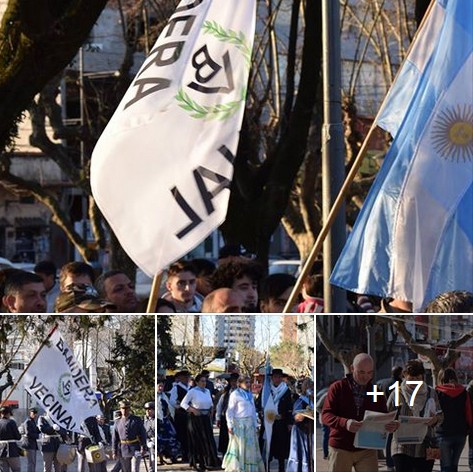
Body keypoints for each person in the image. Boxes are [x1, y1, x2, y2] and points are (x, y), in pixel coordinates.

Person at [322, 353, 399, 472]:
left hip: (367, 448)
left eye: (370, 373)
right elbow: (326, 415)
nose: (366, 377)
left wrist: (391, 424)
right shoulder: (338, 388)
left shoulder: (375, 391)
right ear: (352, 368)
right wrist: (345, 423)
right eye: (361, 372)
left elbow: (383, 415)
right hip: (341, 447)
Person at [387, 359, 443, 472]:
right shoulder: (397, 393)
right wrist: (392, 424)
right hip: (401, 447)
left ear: (422, 377)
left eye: (418, 378)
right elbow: (387, 416)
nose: (415, 382)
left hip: (425, 447)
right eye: (411, 379)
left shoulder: (431, 393)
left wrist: (435, 419)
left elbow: (440, 415)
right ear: (404, 376)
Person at [222, 375, 264, 472]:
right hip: (239, 424)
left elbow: (253, 410)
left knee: (250, 447)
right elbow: (230, 411)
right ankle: (239, 467)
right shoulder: (235, 394)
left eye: (249, 382)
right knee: (239, 446)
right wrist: (230, 425)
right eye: (246, 382)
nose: (248, 385)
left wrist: (255, 424)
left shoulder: (249, 394)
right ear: (239, 384)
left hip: (249, 424)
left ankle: (249, 468)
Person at [180, 373, 221, 471]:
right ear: (197, 382)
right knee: (198, 441)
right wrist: (193, 410)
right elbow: (183, 403)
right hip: (195, 418)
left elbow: (210, 403)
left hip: (205, 418)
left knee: (207, 440)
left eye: (205, 381)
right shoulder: (192, 391)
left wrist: (211, 410)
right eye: (202, 381)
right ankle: (199, 463)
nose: (204, 383)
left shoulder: (207, 391)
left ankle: (209, 461)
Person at [435, 368, 472, 472]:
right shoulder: (464, 392)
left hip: (443, 433)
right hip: (460, 434)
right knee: (454, 466)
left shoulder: (437, 392)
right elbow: (468, 412)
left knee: (446, 466)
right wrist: (468, 428)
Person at [257, 368, 294, 472]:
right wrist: (261, 412)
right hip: (268, 422)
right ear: (272, 378)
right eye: (275, 377)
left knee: (281, 448)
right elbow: (259, 403)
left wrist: (290, 422)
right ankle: (266, 468)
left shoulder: (286, 391)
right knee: (267, 446)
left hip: (281, 422)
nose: (277, 379)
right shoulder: (266, 390)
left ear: (281, 378)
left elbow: (289, 408)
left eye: (279, 377)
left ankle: (281, 469)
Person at [287, 378, 314, 472]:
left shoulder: (314, 400)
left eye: (311, 385)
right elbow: (296, 417)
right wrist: (304, 413)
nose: (310, 388)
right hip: (301, 432)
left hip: (310, 431)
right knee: (301, 456)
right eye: (308, 386)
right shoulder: (301, 400)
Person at [112, 400, 147, 472]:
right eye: (123, 408)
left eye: (126, 408)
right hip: (123, 449)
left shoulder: (136, 420)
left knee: (135, 469)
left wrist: (144, 447)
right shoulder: (117, 422)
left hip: (135, 448)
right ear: (120, 409)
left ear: (129, 409)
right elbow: (115, 438)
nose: (124, 410)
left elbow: (143, 434)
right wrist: (114, 451)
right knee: (126, 470)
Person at [157, 379, 181, 464]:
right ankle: (160, 458)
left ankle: (173, 456)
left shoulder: (165, 396)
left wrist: (168, 414)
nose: (161, 388)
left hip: (165, 420)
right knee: (159, 440)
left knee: (171, 437)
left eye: (162, 386)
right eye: (159, 386)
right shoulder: (156, 397)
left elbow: (169, 406)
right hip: (158, 421)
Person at [169, 370, 191, 462]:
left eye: (188, 377)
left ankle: (189, 454)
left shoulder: (191, 388)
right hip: (181, 415)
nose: (187, 379)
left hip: (190, 414)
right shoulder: (176, 388)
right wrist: (179, 406)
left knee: (189, 435)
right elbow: (172, 401)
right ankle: (182, 454)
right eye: (185, 377)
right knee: (181, 435)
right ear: (181, 378)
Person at [216, 373, 239, 455]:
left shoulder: (242, 393)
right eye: (232, 381)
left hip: (237, 419)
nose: (234, 383)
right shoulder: (225, 394)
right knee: (224, 439)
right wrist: (218, 418)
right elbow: (219, 406)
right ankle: (224, 455)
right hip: (225, 418)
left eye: (235, 381)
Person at [0, 405, 21, 472]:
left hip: (0, 450)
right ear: (8, 413)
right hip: (12, 450)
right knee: (16, 469)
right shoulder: (11, 422)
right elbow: (18, 437)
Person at [21, 407, 41, 472]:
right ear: (30, 413)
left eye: (36, 413)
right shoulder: (28, 422)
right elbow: (28, 433)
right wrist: (38, 436)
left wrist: (39, 430)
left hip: (32, 444)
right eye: (33, 413)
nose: (35, 414)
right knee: (31, 462)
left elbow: (35, 431)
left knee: (33, 462)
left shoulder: (32, 421)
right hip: (29, 445)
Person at [143, 402, 155, 471]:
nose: (147, 411)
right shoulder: (146, 421)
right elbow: (145, 433)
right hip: (149, 442)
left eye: (149, 409)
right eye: (146, 409)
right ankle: (151, 469)